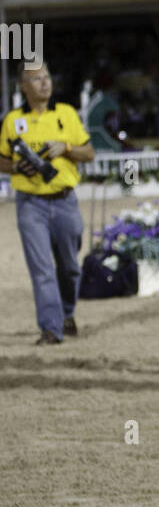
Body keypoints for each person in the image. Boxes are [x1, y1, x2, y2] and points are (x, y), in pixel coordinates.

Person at [0, 61, 95, 344]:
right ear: (23, 87)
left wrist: (64, 148)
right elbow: (1, 159)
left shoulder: (66, 113)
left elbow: (89, 153)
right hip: (30, 204)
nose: (44, 82)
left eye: (47, 76)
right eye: (36, 78)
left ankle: (66, 314)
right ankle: (51, 329)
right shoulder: (11, 120)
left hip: (66, 201)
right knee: (42, 270)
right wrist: (17, 167)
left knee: (70, 267)